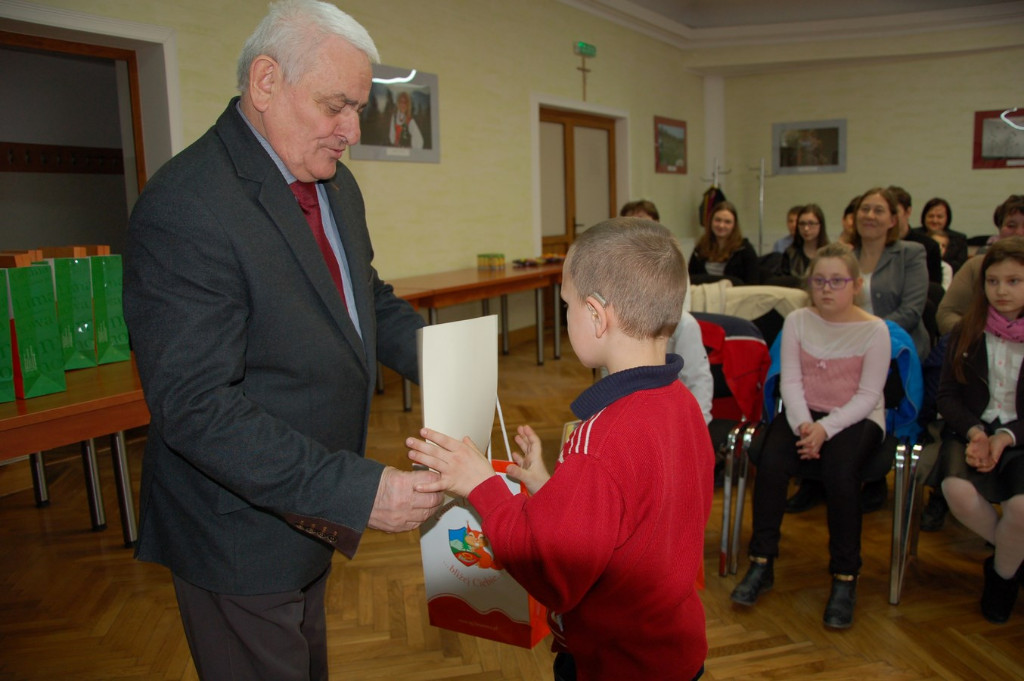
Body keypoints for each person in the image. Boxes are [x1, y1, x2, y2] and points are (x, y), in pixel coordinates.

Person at [122, 2, 442, 679]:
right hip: (236, 533)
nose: (351, 131)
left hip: (309, 515)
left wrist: (446, 358)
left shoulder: (333, 184)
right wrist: (357, 490)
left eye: (359, 109)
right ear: (266, 82)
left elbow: (361, 297)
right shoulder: (187, 204)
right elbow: (197, 407)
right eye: (336, 106)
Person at [407, 218, 714, 681]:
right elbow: (635, 518)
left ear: (596, 315)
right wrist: (552, 488)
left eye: (566, 304)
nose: (565, 313)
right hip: (675, 651)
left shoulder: (600, 440)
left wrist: (483, 486)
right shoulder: (683, 404)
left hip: (613, 664)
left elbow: (552, 573)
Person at [730, 242, 890, 630]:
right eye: (819, 281)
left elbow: (869, 395)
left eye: (837, 281)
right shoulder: (798, 320)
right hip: (805, 413)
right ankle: (762, 562)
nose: (826, 289)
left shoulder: (875, 330)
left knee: (841, 473)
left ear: (856, 285)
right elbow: (791, 381)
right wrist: (805, 424)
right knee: (770, 461)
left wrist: (825, 428)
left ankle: (845, 576)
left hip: (856, 417)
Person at [935, 237, 1024, 624]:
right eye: (992, 281)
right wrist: (976, 433)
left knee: (1021, 509)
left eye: (1014, 281)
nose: (1001, 291)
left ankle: (1002, 577)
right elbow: (946, 396)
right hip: (971, 430)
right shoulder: (966, 331)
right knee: (956, 491)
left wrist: (1006, 437)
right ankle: (1015, 556)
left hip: (1019, 436)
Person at [937, 195, 1024, 335]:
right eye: (1011, 225)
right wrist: (978, 336)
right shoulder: (976, 266)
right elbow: (947, 313)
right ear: (999, 229)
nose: (1019, 233)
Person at [689, 200, 760, 285]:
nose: (721, 225)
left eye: (727, 222)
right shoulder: (700, 248)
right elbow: (690, 278)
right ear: (711, 221)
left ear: (734, 225)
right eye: (717, 220)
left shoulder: (744, 249)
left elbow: (753, 283)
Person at [888, 186, 943, 286]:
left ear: (908, 212)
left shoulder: (928, 246)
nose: (889, 216)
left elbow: (934, 287)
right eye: (885, 211)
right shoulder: (876, 243)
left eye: (894, 212)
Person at [913, 197, 968, 273]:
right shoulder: (914, 236)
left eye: (939, 217)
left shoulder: (959, 239)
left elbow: (960, 267)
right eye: (931, 216)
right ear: (924, 217)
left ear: (947, 218)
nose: (935, 220)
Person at [781, 203, 829, 279]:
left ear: (820, 225)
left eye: (811, 223)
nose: (806, 228)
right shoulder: (790, 254)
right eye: (802, 224)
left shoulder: (830, 253)